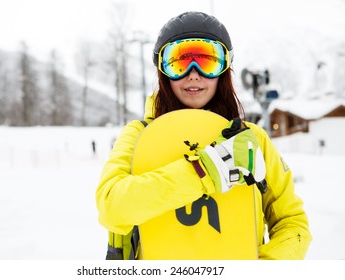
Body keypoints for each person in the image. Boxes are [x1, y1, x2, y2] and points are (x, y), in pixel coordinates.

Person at [96, 11, 312, 259]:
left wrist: (263, 267)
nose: (194, 74)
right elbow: (112, 209)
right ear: (162, 71)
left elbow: (292, 223)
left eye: (207, 61)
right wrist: (206, 170)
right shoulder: (139, 136)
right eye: (179, 62)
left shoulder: (252, 138)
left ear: (224, 69)